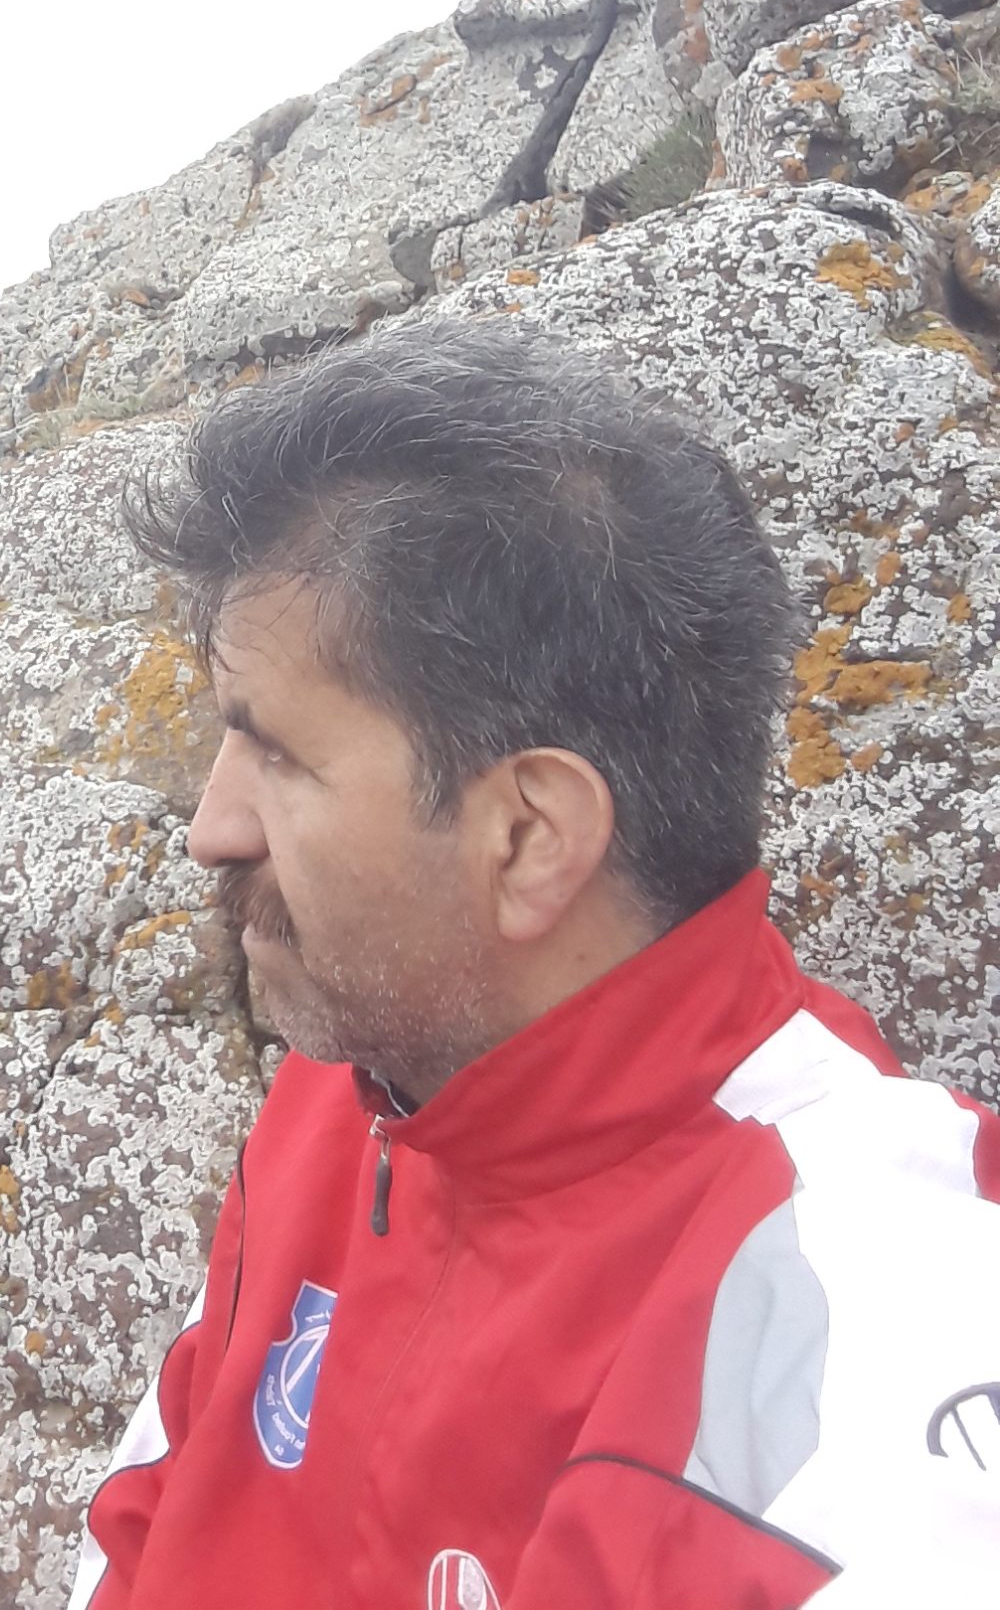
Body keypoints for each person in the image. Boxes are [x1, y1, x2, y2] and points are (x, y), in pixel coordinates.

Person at [66, 319, 1000, 1608]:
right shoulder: (345, 1103)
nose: (210, 828)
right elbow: (147, 1520)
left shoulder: (860, 1323)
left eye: (275, 752)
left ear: (525, 839)